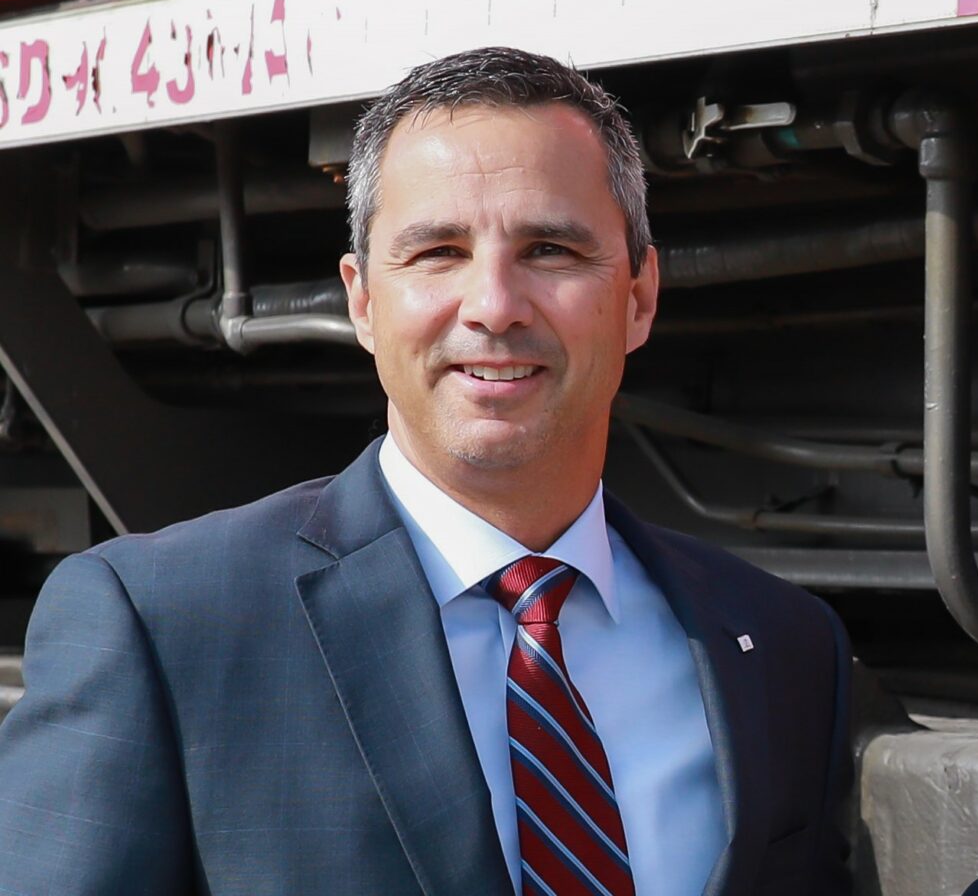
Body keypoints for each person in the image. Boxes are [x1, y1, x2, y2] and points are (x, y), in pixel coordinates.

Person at [0, 47, 852, 895]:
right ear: (363, 300)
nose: (494, 306)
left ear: (639, 296)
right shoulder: (163, 628)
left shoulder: (784, 644)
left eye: (550, 249)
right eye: (439, 252)